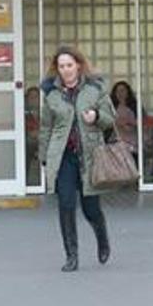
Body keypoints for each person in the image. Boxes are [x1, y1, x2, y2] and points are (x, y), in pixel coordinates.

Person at [39, 45, 116, 272]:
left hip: (89, 156)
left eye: (69, 65)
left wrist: (96, 116)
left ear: (79, 66)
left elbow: (110, 119)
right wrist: (45, 158)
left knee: (90, 208)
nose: (66, 70)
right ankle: (71, 256)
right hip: (63, 157)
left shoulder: (95, 89)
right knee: (66, 205)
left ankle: (102, 238)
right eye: (61, 66)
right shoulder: (51, 94)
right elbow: (46, 128)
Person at [110, 81, 139, 158]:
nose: (120, 93)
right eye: (118, 91)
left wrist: (129, 122)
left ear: (128, 92)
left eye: (122, 90)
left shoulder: (136, 107)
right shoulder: (111, 108)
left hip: (133, 143)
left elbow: (142, 122)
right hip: (116, 143)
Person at [24, 86, 41, 186]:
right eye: (31, 97)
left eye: (36, 97)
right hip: (30, 142)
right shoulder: (23, 113)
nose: (34, 100)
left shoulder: (44, 111)